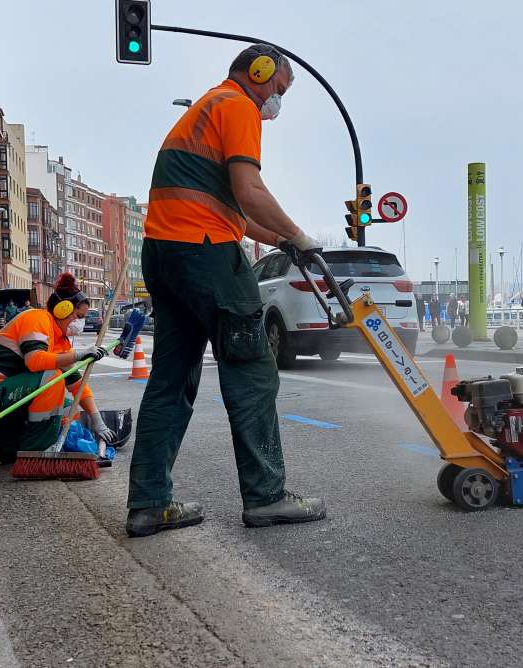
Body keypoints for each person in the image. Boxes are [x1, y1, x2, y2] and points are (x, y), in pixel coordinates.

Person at [126, 43, 326, 538]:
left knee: (172, 378)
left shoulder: (204, 109)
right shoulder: (238, 106)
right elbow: (249, 191)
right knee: (253, 370)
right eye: (279, 89)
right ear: (259, 71)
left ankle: (149, 503)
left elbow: (233, 213)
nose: (275, 105)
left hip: (166, 254)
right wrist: (301, 236)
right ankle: (266, 497)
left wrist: (280, 240)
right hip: (208, 256)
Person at [0, 273, 114, 464]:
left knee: (66, 408)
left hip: (4, 394)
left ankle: (4, 444)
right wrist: (79, 354)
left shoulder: (60, 340)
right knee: (51, 377)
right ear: (62, 309)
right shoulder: (37, 318)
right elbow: (35, 360)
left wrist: (97, 420)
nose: (80, 323)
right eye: (79, 316)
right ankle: (37, 452)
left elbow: (76, 384)